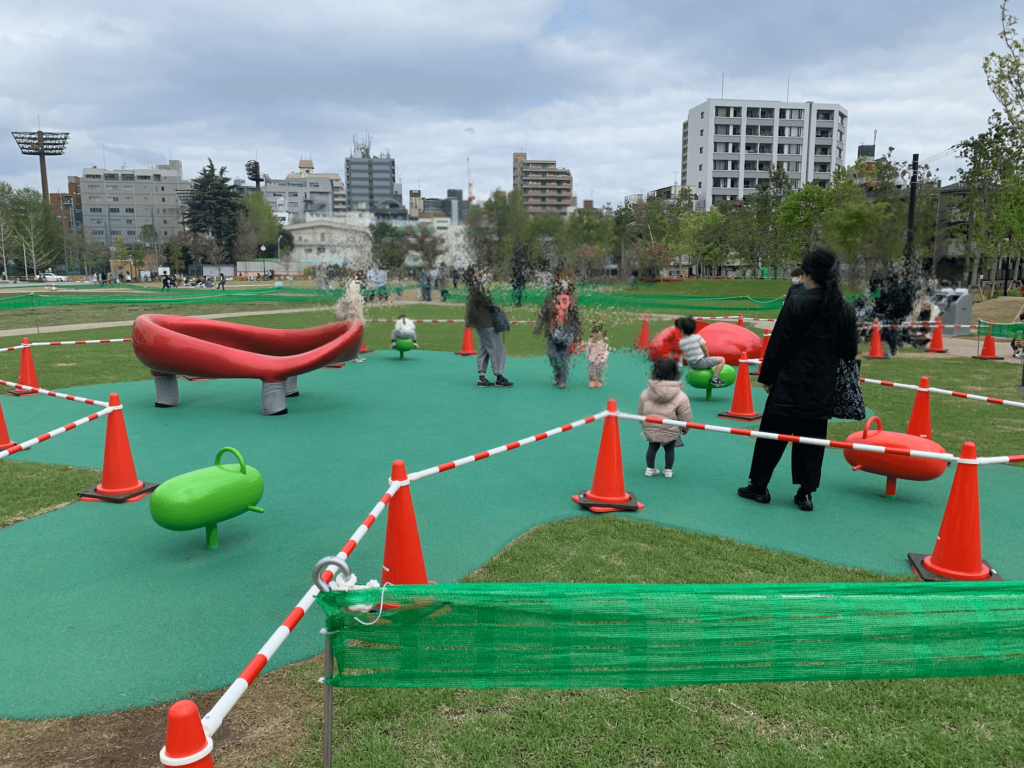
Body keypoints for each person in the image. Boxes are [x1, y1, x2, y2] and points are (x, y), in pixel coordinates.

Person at [738, 248, 858, 511]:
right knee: (813, 440)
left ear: (809, 274)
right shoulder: (843, 308)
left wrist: (767, 376)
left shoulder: (797, 302)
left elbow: (779, 343)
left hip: (789, 382)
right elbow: (849, 351)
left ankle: (759, 485)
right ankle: (805, 493)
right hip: (821, 386)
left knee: (771, 435)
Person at [637, 357, 692, 478]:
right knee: (669, 449)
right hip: (670, 428)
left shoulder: (647, 392)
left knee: (652, 447)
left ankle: (650, 468)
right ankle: (668, 470)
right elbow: (685, 414)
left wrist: (644, 424)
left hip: (651, 426)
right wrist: (685, 428)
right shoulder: (680, 395)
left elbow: (641, 410)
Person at [465, 268, 513, 387]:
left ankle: (482, 378)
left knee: (484, 349)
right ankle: (499, 377)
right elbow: (486, 302)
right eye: (480, 274)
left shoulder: (474, 289)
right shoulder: (478, 289)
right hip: (486, 323)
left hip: (481, 323)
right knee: (498, 349)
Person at [534, 275, 580, 388]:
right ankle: (558, 374)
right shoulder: (550, 299)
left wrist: (578, 335)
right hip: (552, 331)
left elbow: (576, 318)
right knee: (552, 354)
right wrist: (538, 327)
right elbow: (543, 313)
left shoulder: (572, 300)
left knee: (564, 358)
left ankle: (562, 379)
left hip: (567, 332)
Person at [676, 316, 726, 386]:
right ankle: (715, 379)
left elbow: (685, 353)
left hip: (691, 364)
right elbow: (704, 349)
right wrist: (706, 356)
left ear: (682, 331)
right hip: (701, 363)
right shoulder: (697, 337)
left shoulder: (681, 342)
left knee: (690, 357)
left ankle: (690, 375)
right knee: (722, 360)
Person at [584, 324, 610, 388]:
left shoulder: (603, 341)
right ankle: (592, 381)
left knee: (599, 370)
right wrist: (587, 354)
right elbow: (588, 347)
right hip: (593, 358)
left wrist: (605, 356)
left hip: (601, 359)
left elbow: (606, 349)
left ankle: (598, 380)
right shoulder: (591, 341)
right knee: (593, 369)